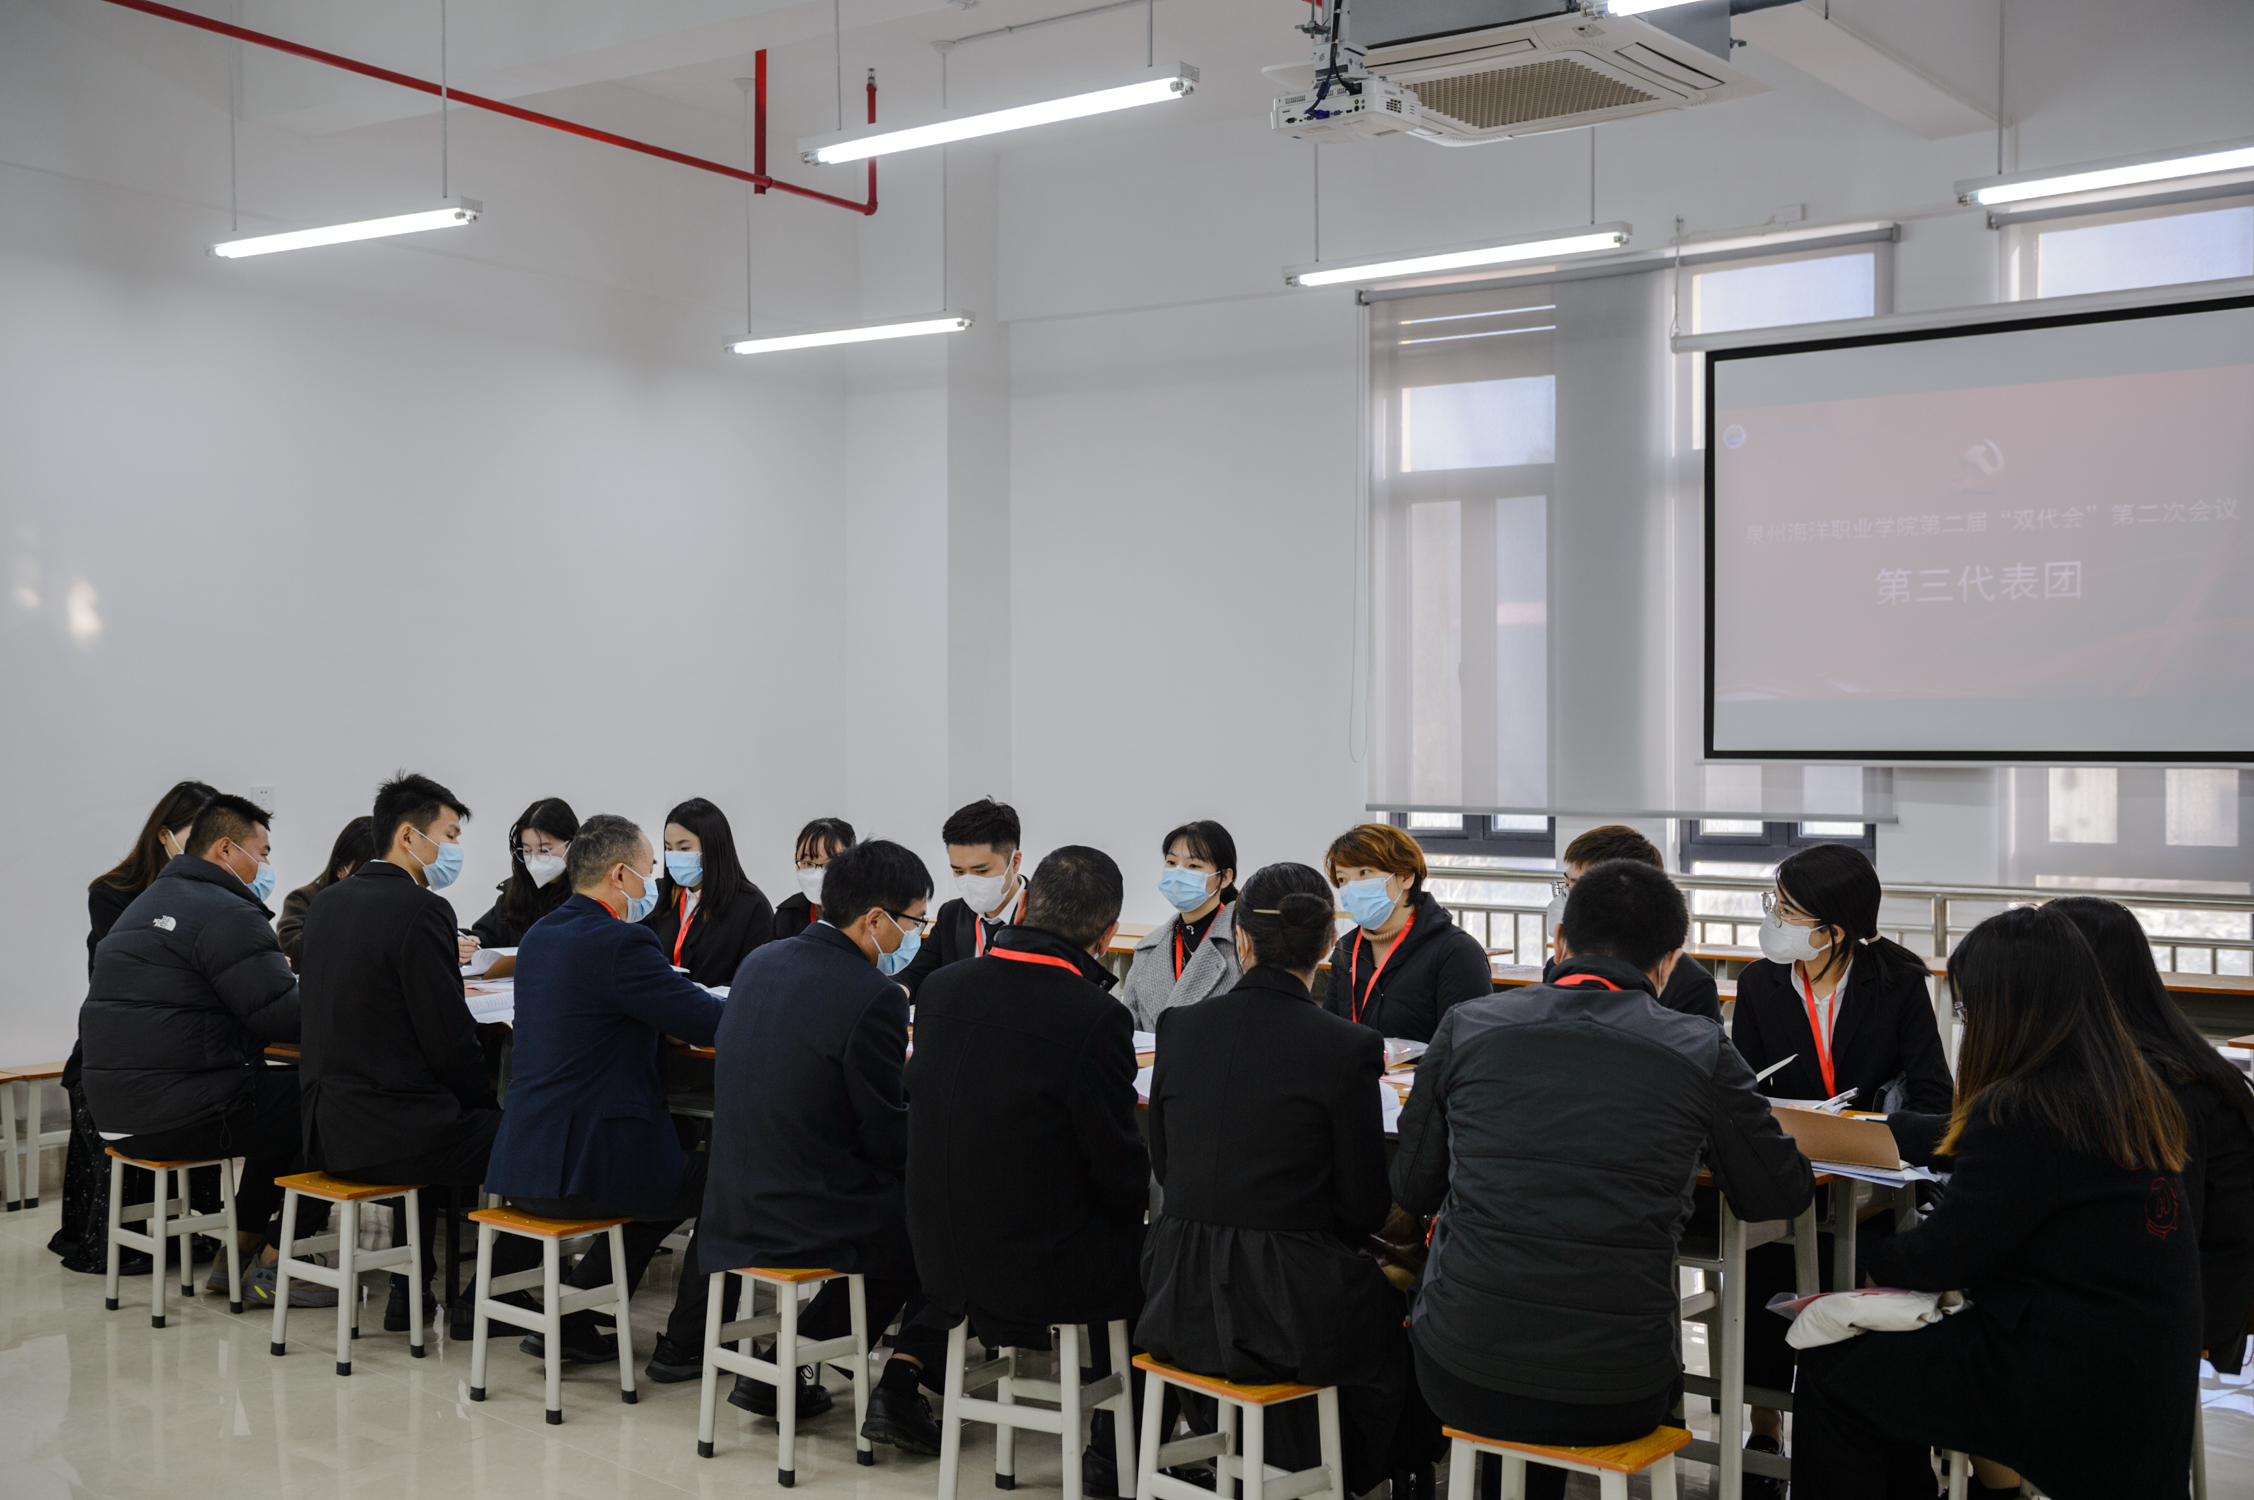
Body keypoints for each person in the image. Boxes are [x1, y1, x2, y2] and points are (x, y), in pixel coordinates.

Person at [1391, 859, 1813, 1500]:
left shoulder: (1469, 1024)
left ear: (1559, 941)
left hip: (1460, 1369)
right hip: (1621, 1385)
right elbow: (1776, 1193)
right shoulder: (1699, 1047)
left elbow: (1414, 1189)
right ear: (1669, 963)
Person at [1790, 904, 2200, 1500]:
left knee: (1836, 1370)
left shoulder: (2024, 1106)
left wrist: (1867, 1270)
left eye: (1966, 1009)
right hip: (2142, 1359)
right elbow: (1981, 1152)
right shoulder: (2122, 1088)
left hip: (2063, 1368)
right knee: (1885, 1369)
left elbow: (1949, 1253)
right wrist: (1887, 1129)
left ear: (2005, 1009)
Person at [1140, 862, 1423, 1500]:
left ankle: (1261, 1460)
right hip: (1289, 1304)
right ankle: (1337, 1472)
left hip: (1178, 1289)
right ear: (1328, 945)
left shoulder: (1180, 1028)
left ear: (1240, 938)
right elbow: (1361, 1207)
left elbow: (1166, 1166)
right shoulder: (1348, 1045)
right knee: (1394, 1309)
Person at [689, 838, 951, 1451]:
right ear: (876, 919)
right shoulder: (875, 994)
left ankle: (786, 1367)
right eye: (915, 921)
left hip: (731, 1199)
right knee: (938, 1218)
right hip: (805, 1209)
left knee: (904, 1213)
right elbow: (885, 1133)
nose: (916, 935)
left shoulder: (761, 961)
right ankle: (902, 1384)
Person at [908, 845, 1149, 1494]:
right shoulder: (1094, 1015)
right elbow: (1118, 1172)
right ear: (1106, 935)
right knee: (1166, 1258)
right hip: (1038, 1264)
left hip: (940, 1253)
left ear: (1026, 904)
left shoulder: (941, 988)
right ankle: (1116, 1453)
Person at [1727, 842, 1955, 1476]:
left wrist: (1867, 1130)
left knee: (1865, 1265)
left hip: (1875, 1183)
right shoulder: (1761, 983)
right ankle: (1765, 1426)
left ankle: (1877, 1436)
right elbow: (1743, 1089)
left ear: (1833, 931)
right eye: (1775, 904)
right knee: (1762, 1262)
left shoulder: (1898, 982)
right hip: (1793, 1173)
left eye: (1787, 909)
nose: (1774, 918)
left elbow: (1934, 1098)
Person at [484, 814, 727, 1363]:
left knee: (663, 1180)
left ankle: (572, 1320)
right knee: (727, 1179)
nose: (654, 882)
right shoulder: (622, 942)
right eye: (649, 869)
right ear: (620, 875)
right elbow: (709, 1022)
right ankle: (687, 1344)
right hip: (589, 1166)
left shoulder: (541, 935)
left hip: (525, 1160)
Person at [299, 772, 519, 1326]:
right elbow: (447, 1036)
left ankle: (409, 1288)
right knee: (527, 1133)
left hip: (326, 1126)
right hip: (392, 1132)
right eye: (449, 835)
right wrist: (481, 1101)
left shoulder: (326, 905)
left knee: (430, 1108)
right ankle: (489, 1295)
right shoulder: (423, 910)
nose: (455, 849)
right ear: (407, 835)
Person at [79, 793, 315, 1304]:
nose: (266, 866)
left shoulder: (146, 903)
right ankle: (278, 1263)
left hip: (118, 1115)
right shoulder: (226, 912)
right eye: (262, 852)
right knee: (325, 1098)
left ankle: (240, 1250)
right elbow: (283, 1016)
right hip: (180, 1113)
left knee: (281, 1100)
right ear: (227, 849)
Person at [2048, 897, 2254, 1376]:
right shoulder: (2163, 1057)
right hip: (2188, 1301)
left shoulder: (2152, 1084)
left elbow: (2163, 1237)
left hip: (2183, 1323)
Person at [53, 779, 216, 1273]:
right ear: (164, 835)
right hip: (116, 1052)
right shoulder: (114, 894)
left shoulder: (212, 893)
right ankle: (119, 1236)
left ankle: (188, 1226)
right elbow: (132, 973)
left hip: (173, 1051)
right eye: (194, 835)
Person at [1321, 822, 1492, 1043]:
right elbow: (1329, 1035)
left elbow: (1470, 1046)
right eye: (1343, 879)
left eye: (1364, 872)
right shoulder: (1347, 949)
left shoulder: (1455, 951)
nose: (1352, 888)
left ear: (1405, 877)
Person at [1541, 826, 1718, 1023]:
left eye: (1579, 889)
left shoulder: (1689, 986)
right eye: (1567, 886)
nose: (1566, 900)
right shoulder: (1561, 966)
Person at [896, 798, 1027, 999]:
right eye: (959, 871)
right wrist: (896, 992)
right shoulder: (952, 915)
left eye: (981, 871)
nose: (969, 881)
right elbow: (916, 975)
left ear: (1015, 862)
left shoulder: (1046, 916)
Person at [1119, 820, 1243, 1031]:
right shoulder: (1147, 950)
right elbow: (1131, 1031)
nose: (1178, 874)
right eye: (1171, 862)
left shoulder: (1243, 946)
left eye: (1193, 866)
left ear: (1224, 878)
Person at [641, 797, 774, 988]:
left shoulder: (751, 905)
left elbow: (758, 977)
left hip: (716, 1005)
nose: (674, 856)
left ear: (712, 847)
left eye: (684, 848)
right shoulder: (660, 893)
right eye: (669, 849)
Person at [467, 797, 579, 950]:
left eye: (544, 850)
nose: (535, 859)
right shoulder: (514, 893)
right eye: (527, 850)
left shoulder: (589, 894)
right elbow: (486, 936)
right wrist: (469, 943)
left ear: (572, 844)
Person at [278, 816, 374, 969]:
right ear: (340, 869)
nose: (373, 879)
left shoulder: (392, 903)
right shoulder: (303, 899)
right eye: (364, 870)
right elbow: (294, 953)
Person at [772, 816, 855, 941]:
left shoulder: (867, 918)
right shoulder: (789, 916)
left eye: (829, 864)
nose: (818, 874)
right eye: (808, 863)